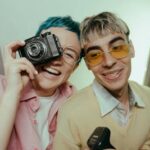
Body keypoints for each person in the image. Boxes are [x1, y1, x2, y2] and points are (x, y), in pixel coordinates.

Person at [53, 12, 150, 150]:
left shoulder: (148, 97)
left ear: (131, 49)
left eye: (117, 48)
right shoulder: (71, 113)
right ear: (87, 63)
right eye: (95, 55)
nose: (109, 62)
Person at [0, 16, 82, 150]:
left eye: (69, 54)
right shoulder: (3, 88)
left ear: (75, 67)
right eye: (50, 46)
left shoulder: (75, 100)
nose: (56, 60)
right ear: (33, 48)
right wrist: (12, 92)